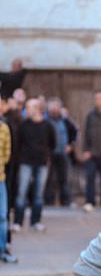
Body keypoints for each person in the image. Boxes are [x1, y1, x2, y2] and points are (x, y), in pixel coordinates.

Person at [13, 99, 55, 233]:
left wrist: (46, 155)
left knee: (38, 194)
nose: (27, 110)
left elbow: (52, 143)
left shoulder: (47, 125)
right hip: (26, 162)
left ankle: (35, 222)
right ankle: (17, 222)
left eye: (29, 107)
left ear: (37, 108)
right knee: (21, 192)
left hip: (42, 163)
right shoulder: (23, 125)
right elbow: (18, 143)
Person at [43, 98, 78, 208]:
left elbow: (75, 132)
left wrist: (71, 145)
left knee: (64, 178)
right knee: (49, 179)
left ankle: (65, 201)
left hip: (63, 153)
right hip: (50, 154)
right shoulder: (45, 121)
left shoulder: (65, 121)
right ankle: (48, 201)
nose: (54, 109)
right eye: (52, 106)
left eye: (56, 106)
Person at [0, 114, 16, 263]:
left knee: (3, 216)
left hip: (1, 179)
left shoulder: (4, 128)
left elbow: (6, 153)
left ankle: (2, 249)